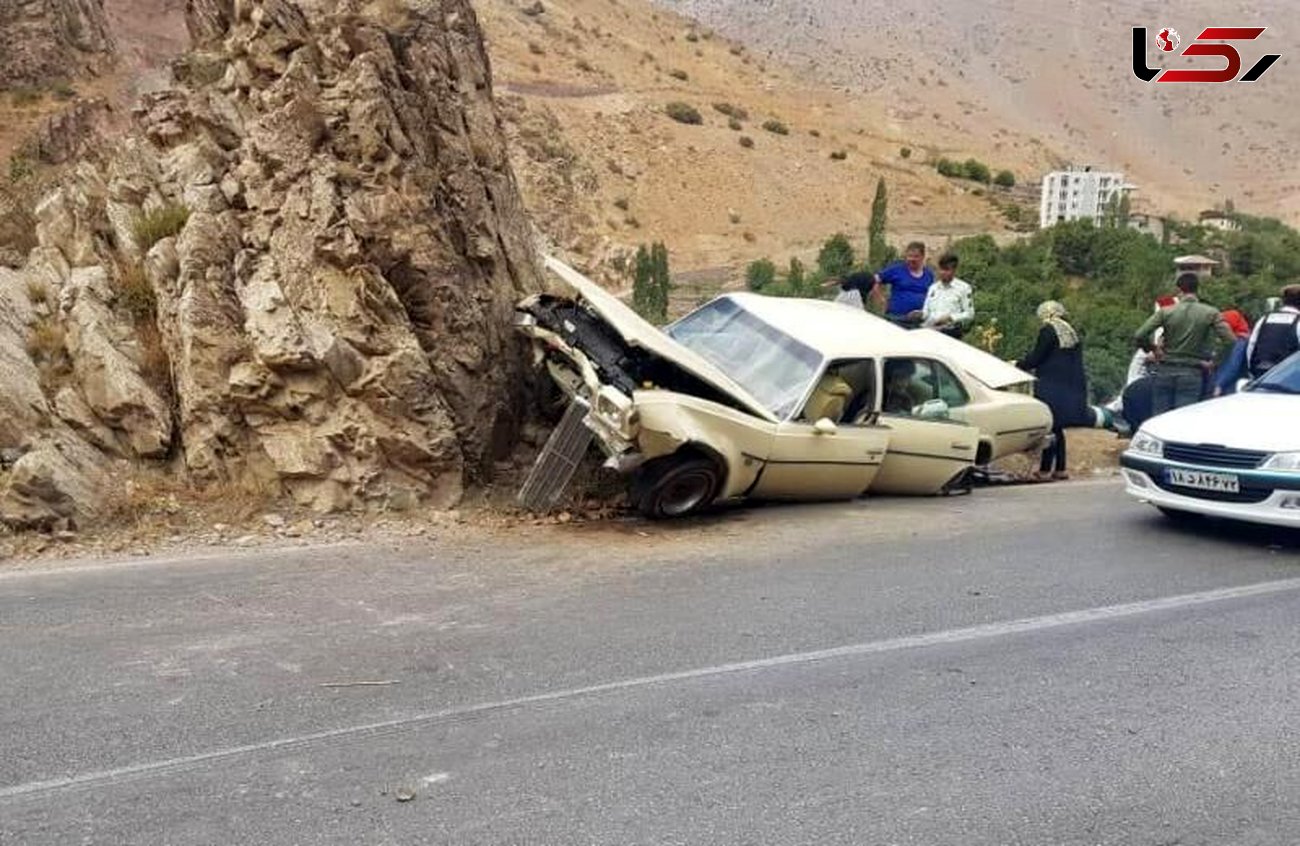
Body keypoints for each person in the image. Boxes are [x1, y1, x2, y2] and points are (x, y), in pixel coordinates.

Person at [1132, 274, 1237, 416]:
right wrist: (1214, 362)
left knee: (1160, 418)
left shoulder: (1166, 312)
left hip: (1165, 370)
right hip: (1192, 371)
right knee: (1183, 418)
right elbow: (1230, 340)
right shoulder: (1210, 313)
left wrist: (1153, 349)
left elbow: (1140, 335)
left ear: (1179, 290)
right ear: (1197, 289)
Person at [1016, 301, 1089, 482]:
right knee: (1057, 428)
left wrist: (1018, 364)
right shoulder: (1070, 331)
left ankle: (1045, 470)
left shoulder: (1048, 331)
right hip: (1069, 387)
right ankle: (1061, 469)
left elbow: (1037, 357)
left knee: (1049, 427)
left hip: (1050, 386)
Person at [871, 242, 935, 327]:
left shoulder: (929, 274)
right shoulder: (897, 270)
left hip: (919, 321)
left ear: (922, 257)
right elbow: (875, 279)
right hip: (896, 318)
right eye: (909, 256)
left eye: (915, 256)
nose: (911, 259)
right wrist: (881, 300)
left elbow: (931, 296)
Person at [1245, 284, 1300, 379]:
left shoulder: (1264, 319)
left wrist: (1251, 372)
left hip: (1261, 374)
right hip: (1288, 377)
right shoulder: (1298, 321)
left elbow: (1251, 346)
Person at [921, 253, 974, 338]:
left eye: (946, 269)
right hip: (930, 331)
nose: (943, 272)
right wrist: (919, 314)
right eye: (941, 269)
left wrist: (951, 318)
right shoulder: (933, 288)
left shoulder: (963, 288)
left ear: (954, 270)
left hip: (950, 332)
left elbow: (969, 314)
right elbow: (926, 312)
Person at [1211, 308, 1253, 396]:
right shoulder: (1246, 338)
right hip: (1234, 384)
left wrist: (1219, 385)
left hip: (1227, 387)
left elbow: (1232, 365)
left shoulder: (1239, 341)